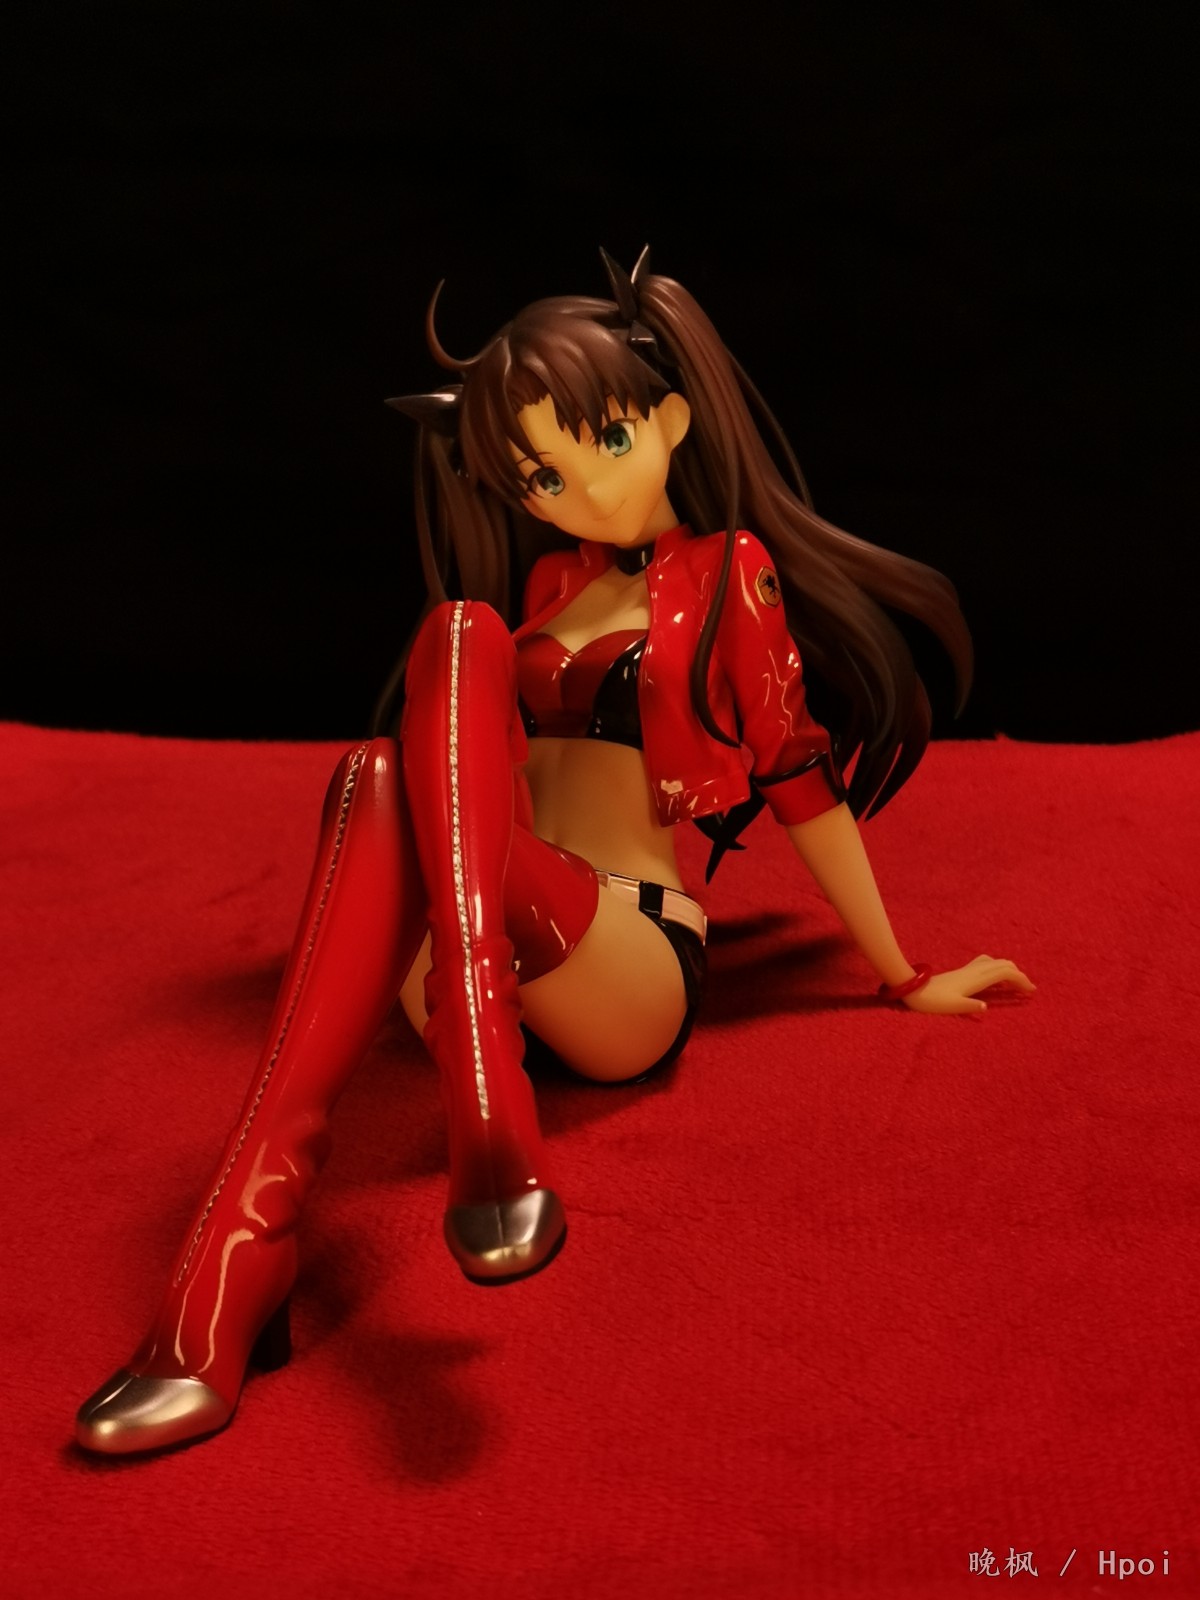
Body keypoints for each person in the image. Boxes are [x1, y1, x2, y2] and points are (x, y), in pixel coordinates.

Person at [75, 249, 1032, 1456]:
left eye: (607, 443)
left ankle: (219, 1283)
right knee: (406, 721)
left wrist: (901, 972)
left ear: (670, 420)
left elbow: (798, 778)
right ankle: (404, 1148)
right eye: (539, 474)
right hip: (474, 959)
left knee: (410, 732)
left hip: (621, 952)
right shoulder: (540, 588)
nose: (580, 492)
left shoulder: (728, 576)